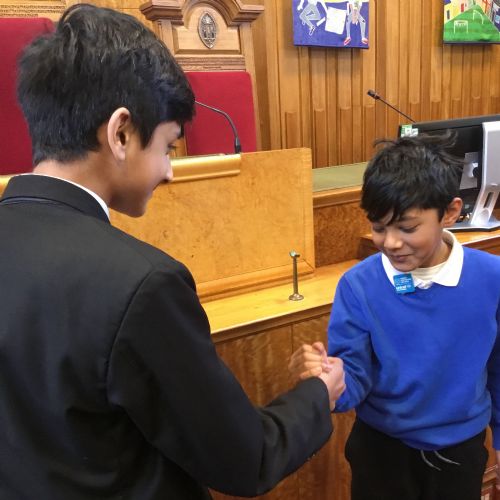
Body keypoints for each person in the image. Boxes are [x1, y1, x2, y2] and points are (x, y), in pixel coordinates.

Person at [0, 4, 346, 499]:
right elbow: (245, 459)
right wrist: (318, 393)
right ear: (121, 133)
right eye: (168, 146)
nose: (167, 171)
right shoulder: (140, 285)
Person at [289, 133, 500, 500]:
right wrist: (326, 379)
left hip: (460, 451)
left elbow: (498, 367)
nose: (390, 242)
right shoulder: (359, 285)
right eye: (379, 227)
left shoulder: (490, 277)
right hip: (380, 452)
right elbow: (354, 375)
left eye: (407, 227)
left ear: (450, 213)